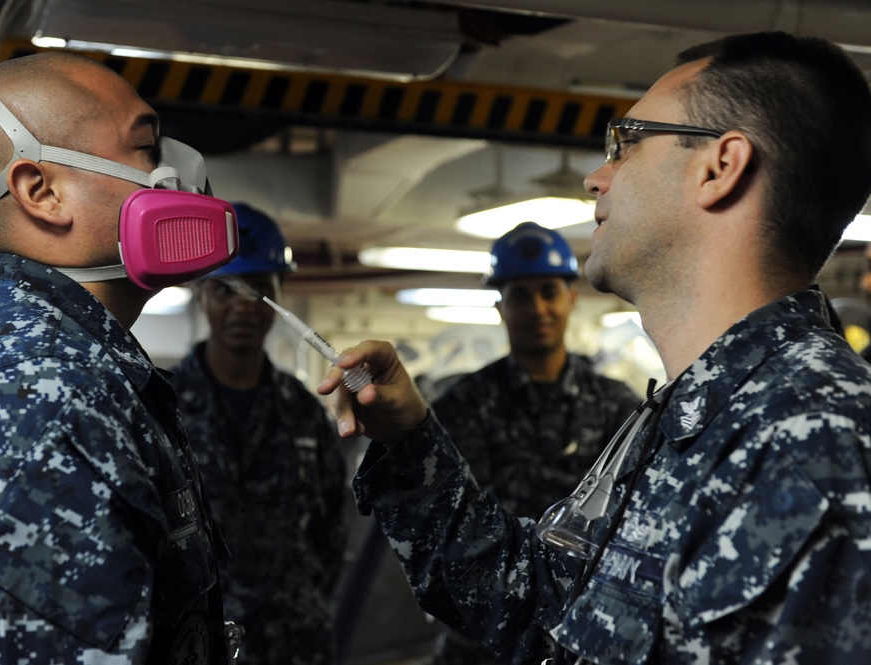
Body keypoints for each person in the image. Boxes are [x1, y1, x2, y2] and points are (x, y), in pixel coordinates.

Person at [318, 31, 871, 664]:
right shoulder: (691, 414)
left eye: (627, 143)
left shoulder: (817, 441)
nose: (595, 177)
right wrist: (410, 439)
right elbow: (539, 607)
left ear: (720, 168)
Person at [0, 52, 239, 663]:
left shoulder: (80, 374)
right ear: (42, 192)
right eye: (147, 149)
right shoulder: (25, 405)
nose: (181, 171)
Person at [430, 222, 640, 665]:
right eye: (520, 296)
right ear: (500, 307)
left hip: (584, 635)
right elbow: (449, 530)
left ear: (570, 298)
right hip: (482, 639)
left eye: (548, 291)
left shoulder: (618, 408)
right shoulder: (460, 407)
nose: (537, 308)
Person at [169, 203, 349, 665]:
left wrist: (301, 597)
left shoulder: (305, 414)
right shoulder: (161, 406)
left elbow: (332, 529)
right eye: (225, 290)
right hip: (198, 641)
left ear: (279, 297)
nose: (242, 306)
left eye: (259, 290)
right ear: (201, 296)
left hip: (298, 640)